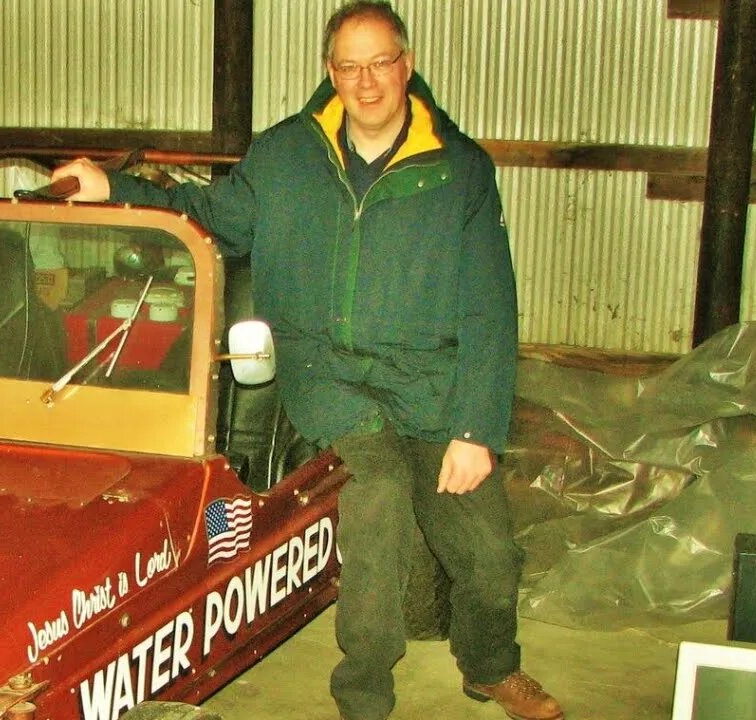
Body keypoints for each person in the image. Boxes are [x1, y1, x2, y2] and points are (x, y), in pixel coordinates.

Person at [50, 3, 563, 719]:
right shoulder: (286, 154)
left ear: (406, 65)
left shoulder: (459, 170)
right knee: (377, 503)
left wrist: (475, 428)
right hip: (331, 379)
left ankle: (489, 666)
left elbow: (489, 308)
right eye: (349, 66)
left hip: (432, 384)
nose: (366, 81)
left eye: (380, 62)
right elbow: (213, 216)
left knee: (488, 552)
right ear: (331, 73)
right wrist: (117, 189)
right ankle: (365, 696)